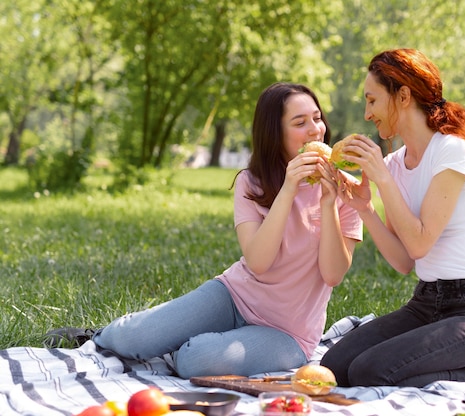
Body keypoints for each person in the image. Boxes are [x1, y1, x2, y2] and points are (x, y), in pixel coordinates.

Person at [45, 82, 363, 378]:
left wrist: (327, 203)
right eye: (300, 122)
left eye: (317, 118)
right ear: (274, 133)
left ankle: (196, 343)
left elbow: (333, 275)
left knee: (195, 361)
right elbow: (258, 262)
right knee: (133, 338)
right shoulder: (250, 183)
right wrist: (289, 190)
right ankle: (100, 334)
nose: (316, 130)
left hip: (288, 334)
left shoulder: (346, 189)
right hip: (234, 295)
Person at [320, 49, 465, 388]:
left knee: (370, 371)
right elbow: (404, 261)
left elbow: (421, 242)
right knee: (334, 366)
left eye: (372, 101)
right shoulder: (395, 164)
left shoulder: (452, 150)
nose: (367, 114)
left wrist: (381, 178)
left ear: (404, 95)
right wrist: (365, 208)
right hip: (427, 302)